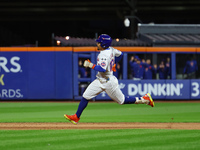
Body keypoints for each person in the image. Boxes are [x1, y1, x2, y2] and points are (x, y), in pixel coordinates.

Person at [64, 34, 154, 125]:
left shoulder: (104, 54)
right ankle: (76, 117)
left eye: (99, 42)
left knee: (122, 100)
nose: (97, 44)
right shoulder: (111, 49)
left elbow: (102, 69)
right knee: (86, 96)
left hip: (108, 82)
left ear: (103, 44)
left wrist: (90, 65)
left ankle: (144, 99)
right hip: (100, 80)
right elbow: (120, 54)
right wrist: (113, 63)